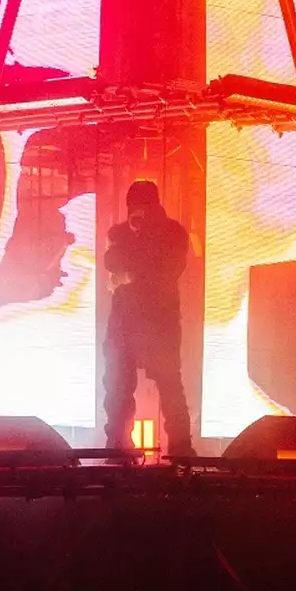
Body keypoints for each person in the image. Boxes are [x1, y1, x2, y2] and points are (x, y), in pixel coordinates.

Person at [103, 180, 194, 456]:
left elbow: (166, 271)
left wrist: (130, 276)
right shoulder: (120, 234)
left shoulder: (173, 234)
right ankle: (118, 445)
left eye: (141, 206)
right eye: (132, 206)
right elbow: (111, 262)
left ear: (154, 207)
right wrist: (133, 242)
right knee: (118, 384)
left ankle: (180, 448)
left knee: (169, 384)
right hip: (124, 325)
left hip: (159, 322)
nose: (135, 211)